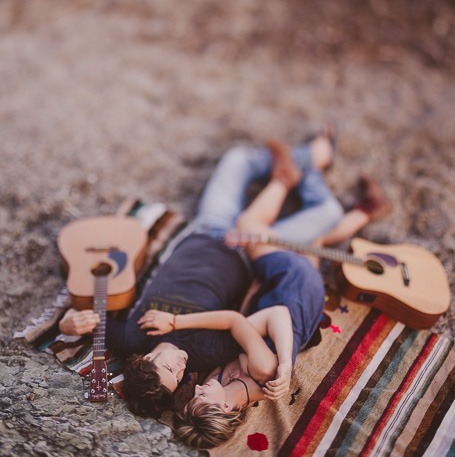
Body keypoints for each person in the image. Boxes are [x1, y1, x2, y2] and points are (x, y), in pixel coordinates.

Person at [58, 128, 391, 419]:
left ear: (146, 358)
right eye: (179, 377)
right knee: (327, 213)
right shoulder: (208, 354)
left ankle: (311, 159)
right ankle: (305, 167)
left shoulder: (131, 337)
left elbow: (88, 315)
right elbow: (243, 324)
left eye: (170, 367)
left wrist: (68, 323)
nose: (182, 366)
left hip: (206, 230)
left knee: (236, 159)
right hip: (247, 252)